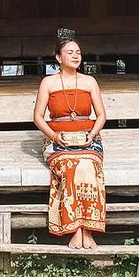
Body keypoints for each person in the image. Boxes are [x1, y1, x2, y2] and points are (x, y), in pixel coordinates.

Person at [33, 33, 107, 248]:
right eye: (70, 53)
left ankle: (87, 230)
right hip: (58, 141)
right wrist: (55, 136)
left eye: (78, 53)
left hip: (88, 139)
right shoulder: (48, 83)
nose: (76, 56)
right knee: (71, 167)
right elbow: (38, 117)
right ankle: (74, 229)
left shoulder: (89, 82)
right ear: (58, 57)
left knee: (88, 166)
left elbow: (101, 115)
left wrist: (91, 134)